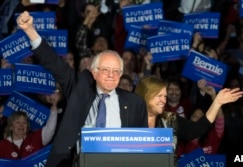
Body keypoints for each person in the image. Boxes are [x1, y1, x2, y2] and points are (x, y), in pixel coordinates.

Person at [16, 11, 148, 167]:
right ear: (94, 72)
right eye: (105, 70)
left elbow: (143, 147)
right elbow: (53, 63)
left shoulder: (135, 103)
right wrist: (30, 31)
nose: (111, 75)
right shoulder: (80, 89)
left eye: (116, 71)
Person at [134, 75, 243, 166]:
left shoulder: (170, 119)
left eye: (165, 96)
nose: (163, 100)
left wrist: (217, 102)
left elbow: (197, 129)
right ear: (146, 96)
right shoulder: (129, 121)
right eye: (159, 96)